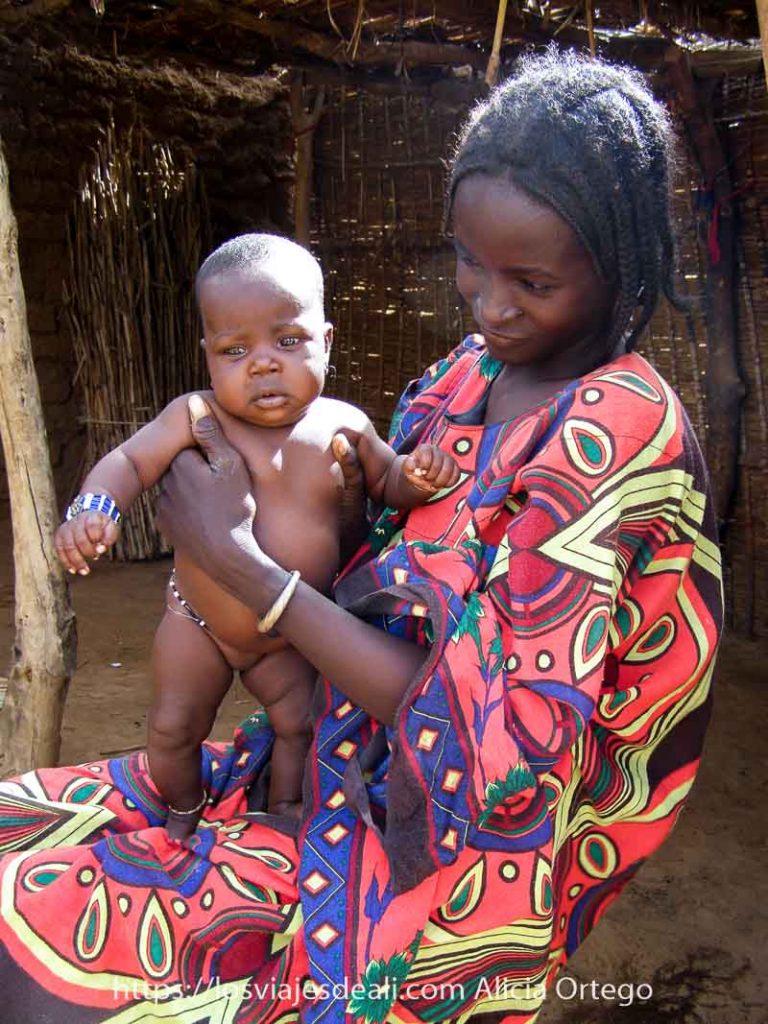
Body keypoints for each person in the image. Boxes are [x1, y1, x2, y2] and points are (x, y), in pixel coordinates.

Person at [0, 50, 722, 1024]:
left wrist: (238, 563)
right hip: (324, 748)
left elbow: (493, 749)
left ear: (620, 260)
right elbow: (369, 538)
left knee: (45, 971)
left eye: (531, 279)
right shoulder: (469, 376)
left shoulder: (619, 433)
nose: (490, 304)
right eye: (470, 262)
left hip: (443, 863)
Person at [53, 232, 459, 834]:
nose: (263, 363)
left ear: (326, 342)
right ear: (208, 356)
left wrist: (417, 477)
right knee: (172, 728)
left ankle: (282, 813)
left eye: (287, 341)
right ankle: (182, 812)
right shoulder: (197, 415)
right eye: (234, 350)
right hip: (199, 623)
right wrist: (93, 508)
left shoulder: (343, 424)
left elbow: (386, 482)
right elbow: (131, 462)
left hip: (291, 634)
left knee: (299, 725)